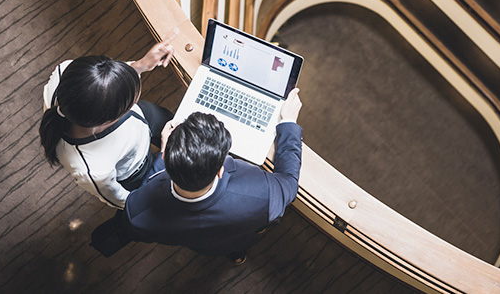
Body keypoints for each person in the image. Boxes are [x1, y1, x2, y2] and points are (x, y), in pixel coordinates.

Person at [122, 88, 303, 263]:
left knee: (217, 247)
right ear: (219, 170)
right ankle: (237, 253)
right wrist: (288, 122)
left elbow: (148, 186)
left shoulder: (137, 211)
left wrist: (164, 154)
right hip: (239, 235)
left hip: (202, 245)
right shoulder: (262, 195)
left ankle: (235, 256)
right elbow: (289, 182)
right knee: (236, 243)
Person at [39, 39, 175, 209]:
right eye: (131, 102)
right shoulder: (93, 170)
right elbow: (128, 202)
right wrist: (163, 157)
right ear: (108, 120)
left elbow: (102, 83)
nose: (136, 96)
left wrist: (140, 65)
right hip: (136, 167)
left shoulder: (65, 71)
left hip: (143, 118)